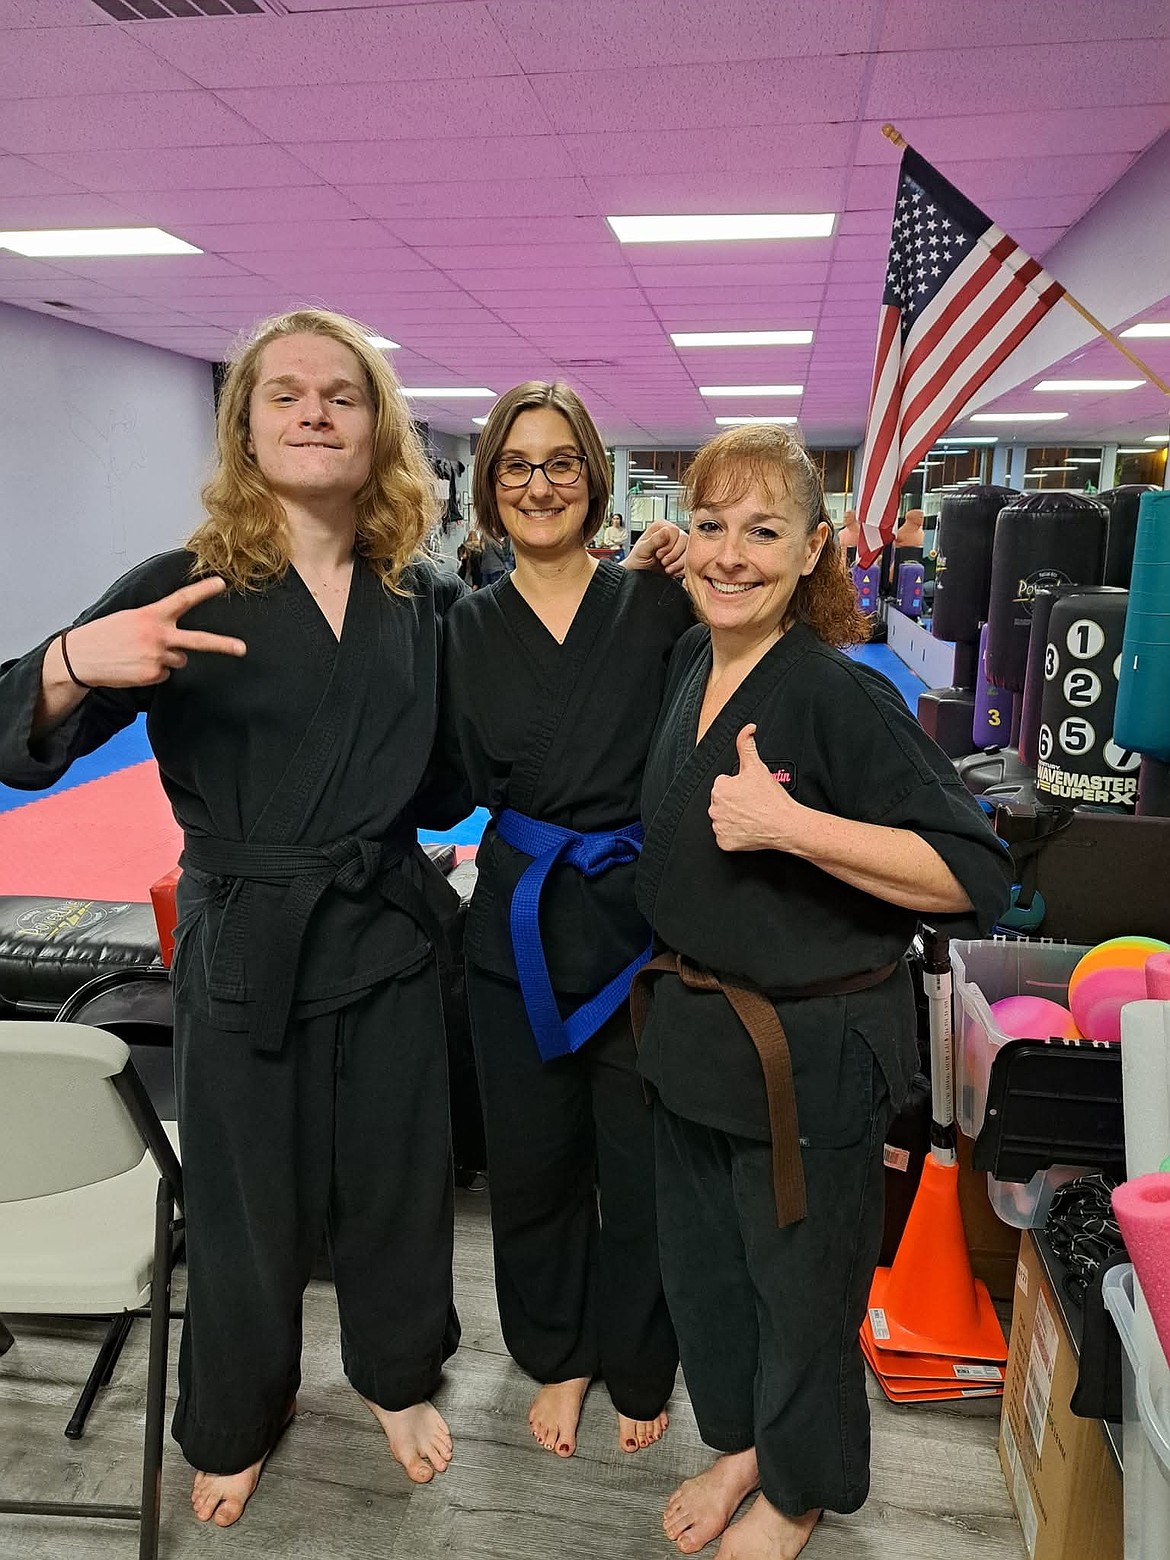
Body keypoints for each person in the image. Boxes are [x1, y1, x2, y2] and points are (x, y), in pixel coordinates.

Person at [0, 309, 463, 1528]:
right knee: (247, 1198)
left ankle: (397, 1374)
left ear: (380, 431)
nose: (316, 411)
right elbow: (18, 728)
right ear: (246, 428)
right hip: (249, 936)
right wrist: (68, 660)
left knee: (397, 1181)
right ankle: (232, 1414)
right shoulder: (180, 586)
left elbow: (451, 779)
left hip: (388, 932)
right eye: (286, 394)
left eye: (344, 395)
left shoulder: (422, 598)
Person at [631, 425, 1012, 1560]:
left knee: (803, 1293)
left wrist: (791, 828)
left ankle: (800, 1492)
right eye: (711, 526)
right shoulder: (695, 663)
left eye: (763, 531)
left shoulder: (839, 694)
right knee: (711, 1282)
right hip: (699, 1037)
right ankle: (750, 1443)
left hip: (815, 1052)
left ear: (814, 551)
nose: (731, 554)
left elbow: (976, 876)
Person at [434, 381, 691, 1461]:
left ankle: (639, 1360)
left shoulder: (657, 604)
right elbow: (444, 781)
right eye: (515, 466)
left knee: (637, 1166)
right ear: (490, 487)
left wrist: (697, 554)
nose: (540, 485)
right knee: (533, 1163)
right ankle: (561, 1356)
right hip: (520, 930)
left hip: (639, 930)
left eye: (562, 462)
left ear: (595, 476)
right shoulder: (462, 624)